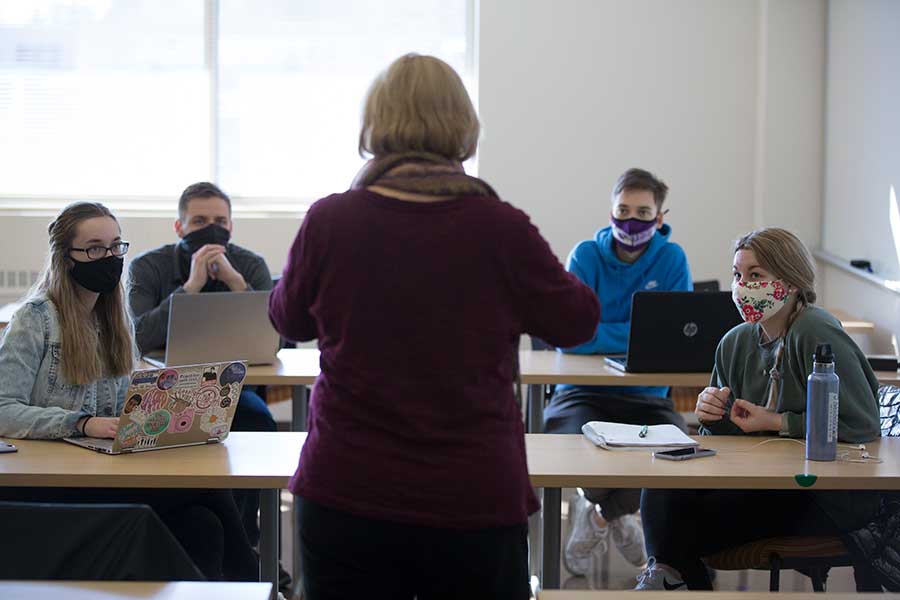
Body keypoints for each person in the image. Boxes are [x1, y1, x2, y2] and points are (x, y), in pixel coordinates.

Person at [268, 53, 600, 600]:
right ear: (463, 127)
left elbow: (288, 318)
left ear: (375, 124)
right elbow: (579, 321)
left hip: (349, 485)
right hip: (473, 492)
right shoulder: (500, 227)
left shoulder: (331, 220)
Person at [0, 202, 258, 582]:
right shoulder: (35, 318)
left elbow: (124, 405)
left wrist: (174, 405)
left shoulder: (115, 317)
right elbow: (4, 409)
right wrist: (83, 423)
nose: (108, 257)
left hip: (104, 466)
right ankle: (259, 583)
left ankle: (238, 588)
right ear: (65, 258)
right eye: (93, 248)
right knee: (209, 491)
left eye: (115, 246)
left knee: (203, 524)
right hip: (51, 477)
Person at [636, 227, 881, 591]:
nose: (742, 285)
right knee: (660, 489)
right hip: (760, 480)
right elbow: (726, 439)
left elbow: (862, 425)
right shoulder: (734, 342)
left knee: (683, 528)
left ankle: (670, 580)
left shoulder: (815, 330)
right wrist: (712, 416)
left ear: (791, 281)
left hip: (820, 491)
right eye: (738, 275)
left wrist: (779, 422)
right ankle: (670, 578)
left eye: (756, 275)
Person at [543, 168, 692, 576]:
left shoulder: (672, 258)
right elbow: (568, 335)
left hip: (647, 395)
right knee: (578, 461)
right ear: (610, 211)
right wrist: (638, 332)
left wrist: (600, 331)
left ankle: (600, 517)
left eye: (643, 212)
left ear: (660, 218)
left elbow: (675, 337)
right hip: (580, 393)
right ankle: (618, 512)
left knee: (677, 461)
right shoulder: (586, 255)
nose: (631, 220)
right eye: (623, 210)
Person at [127, 181, 279, 555]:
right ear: (179, 227)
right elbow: (138, 336)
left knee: (258, 422)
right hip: (167, 389)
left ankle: (246, 539)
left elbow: (276, 338)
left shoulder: (250, 265)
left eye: (220, 221)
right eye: (198, 221)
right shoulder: (148, 267)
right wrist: (190, 288)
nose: (211, 229)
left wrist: (235, 282)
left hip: (235, 388)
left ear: (231, 226)